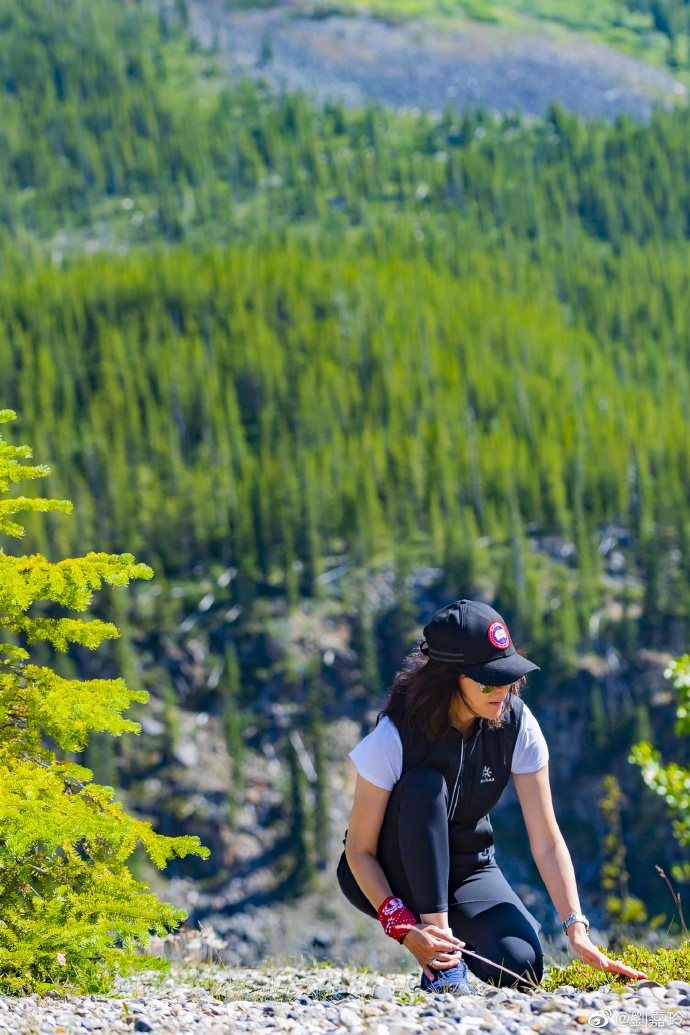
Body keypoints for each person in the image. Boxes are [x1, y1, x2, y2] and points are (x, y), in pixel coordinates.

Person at [338, 599, 646, 993]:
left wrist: (577, 929)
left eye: (507, 675)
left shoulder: (518, 725)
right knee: (424, 786)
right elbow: (359, 851)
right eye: (488, 680)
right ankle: (443, 964)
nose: (502, 690)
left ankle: (444, 942)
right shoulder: (394, 735)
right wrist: (402, 924)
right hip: (389, 870)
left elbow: (548, 840)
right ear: (448, 677)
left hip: (466, 866)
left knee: (522, 967)